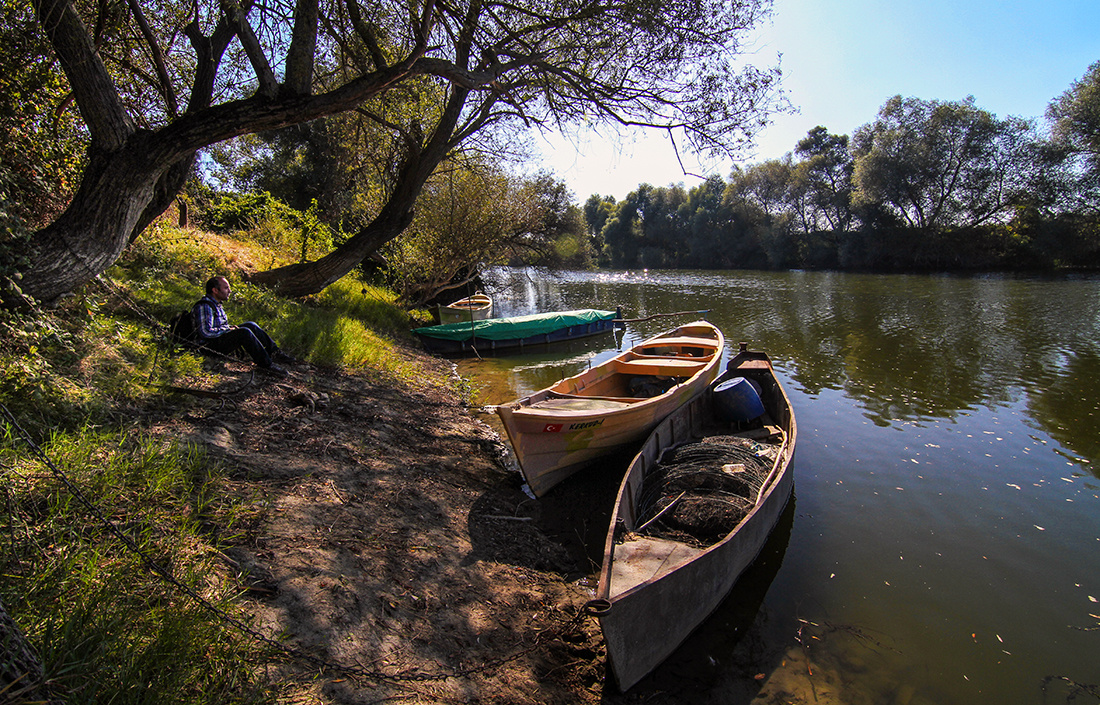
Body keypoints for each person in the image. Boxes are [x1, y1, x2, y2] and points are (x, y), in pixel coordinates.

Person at [191, 276, 292, 375]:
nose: (229, 291)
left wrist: (228, 329)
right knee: (244, 332)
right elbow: (205, 332)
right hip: (208, 347)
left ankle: (275, 353)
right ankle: (266, 365)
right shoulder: (205, 306)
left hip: (217, 340)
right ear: (215, 290)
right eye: (226, 288)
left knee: (250, 325)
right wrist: (227, 330)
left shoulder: (217, 304)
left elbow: (218, 326)